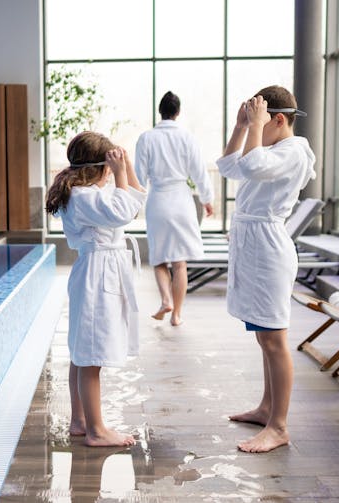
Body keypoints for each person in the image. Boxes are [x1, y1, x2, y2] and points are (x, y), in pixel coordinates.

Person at [216, 85, 316, 453]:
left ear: (278, 119)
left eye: (261, 119)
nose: (256, 125)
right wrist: (242, 126)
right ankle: (266, 407)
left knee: (274, 340)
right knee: (263, 336)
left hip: (269, 251)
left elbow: (253, 167)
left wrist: (255, 128)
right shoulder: (270, 146)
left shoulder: (293, 151)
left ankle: (279, 426)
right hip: (254, 247)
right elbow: (230, 167)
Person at [45, 131, 146, 447]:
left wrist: (125, 167)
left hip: (97, 272)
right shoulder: (84, 197)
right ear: (100, 168)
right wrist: (119, 174)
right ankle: (97, 431)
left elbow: (135, 200)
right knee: (90, 357)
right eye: (111, 165)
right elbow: (122, 210)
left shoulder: (83, 192)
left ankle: (80, 420)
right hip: (97, 276)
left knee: (82, 352)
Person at [135, 91, 214, 326]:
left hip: (158, 201)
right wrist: (207, 199)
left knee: (159, 258)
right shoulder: (187, 138)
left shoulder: (146, 138)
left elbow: (139, 177)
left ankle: (165, 300)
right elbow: (199, 172)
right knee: (180, 263)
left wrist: (134, 204)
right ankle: (177, 314)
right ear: (177, 112)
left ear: (160, 111)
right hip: (182, 201)